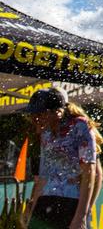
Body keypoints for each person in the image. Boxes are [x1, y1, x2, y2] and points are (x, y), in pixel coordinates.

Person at [22, 88, 97, 229]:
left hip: (71, 201)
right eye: (33, 114)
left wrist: (80, 217)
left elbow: (90, 172)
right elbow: (44, 176)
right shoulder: (46, 134)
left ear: (57, 112)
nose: (34, 119)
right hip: (45, 200)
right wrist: (32, 209)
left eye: (40, 114)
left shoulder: (79, 126)